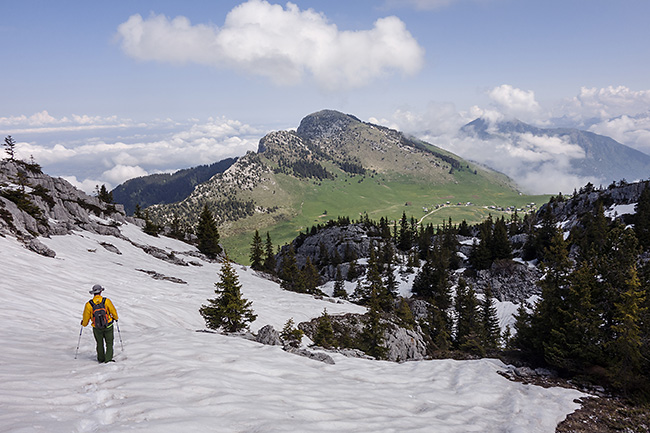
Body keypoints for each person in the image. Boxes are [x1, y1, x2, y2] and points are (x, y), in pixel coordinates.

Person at [81, 284, 119, 363]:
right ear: (101, 291)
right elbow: (113, 311)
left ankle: (101, 358)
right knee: (109, 343)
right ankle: (108, 359)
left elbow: (86, 317)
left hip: (96, 327)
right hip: (108, 325)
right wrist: (115, 318)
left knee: (99, 343)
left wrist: (84, 324)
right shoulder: (106, 301)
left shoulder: (89, 304)